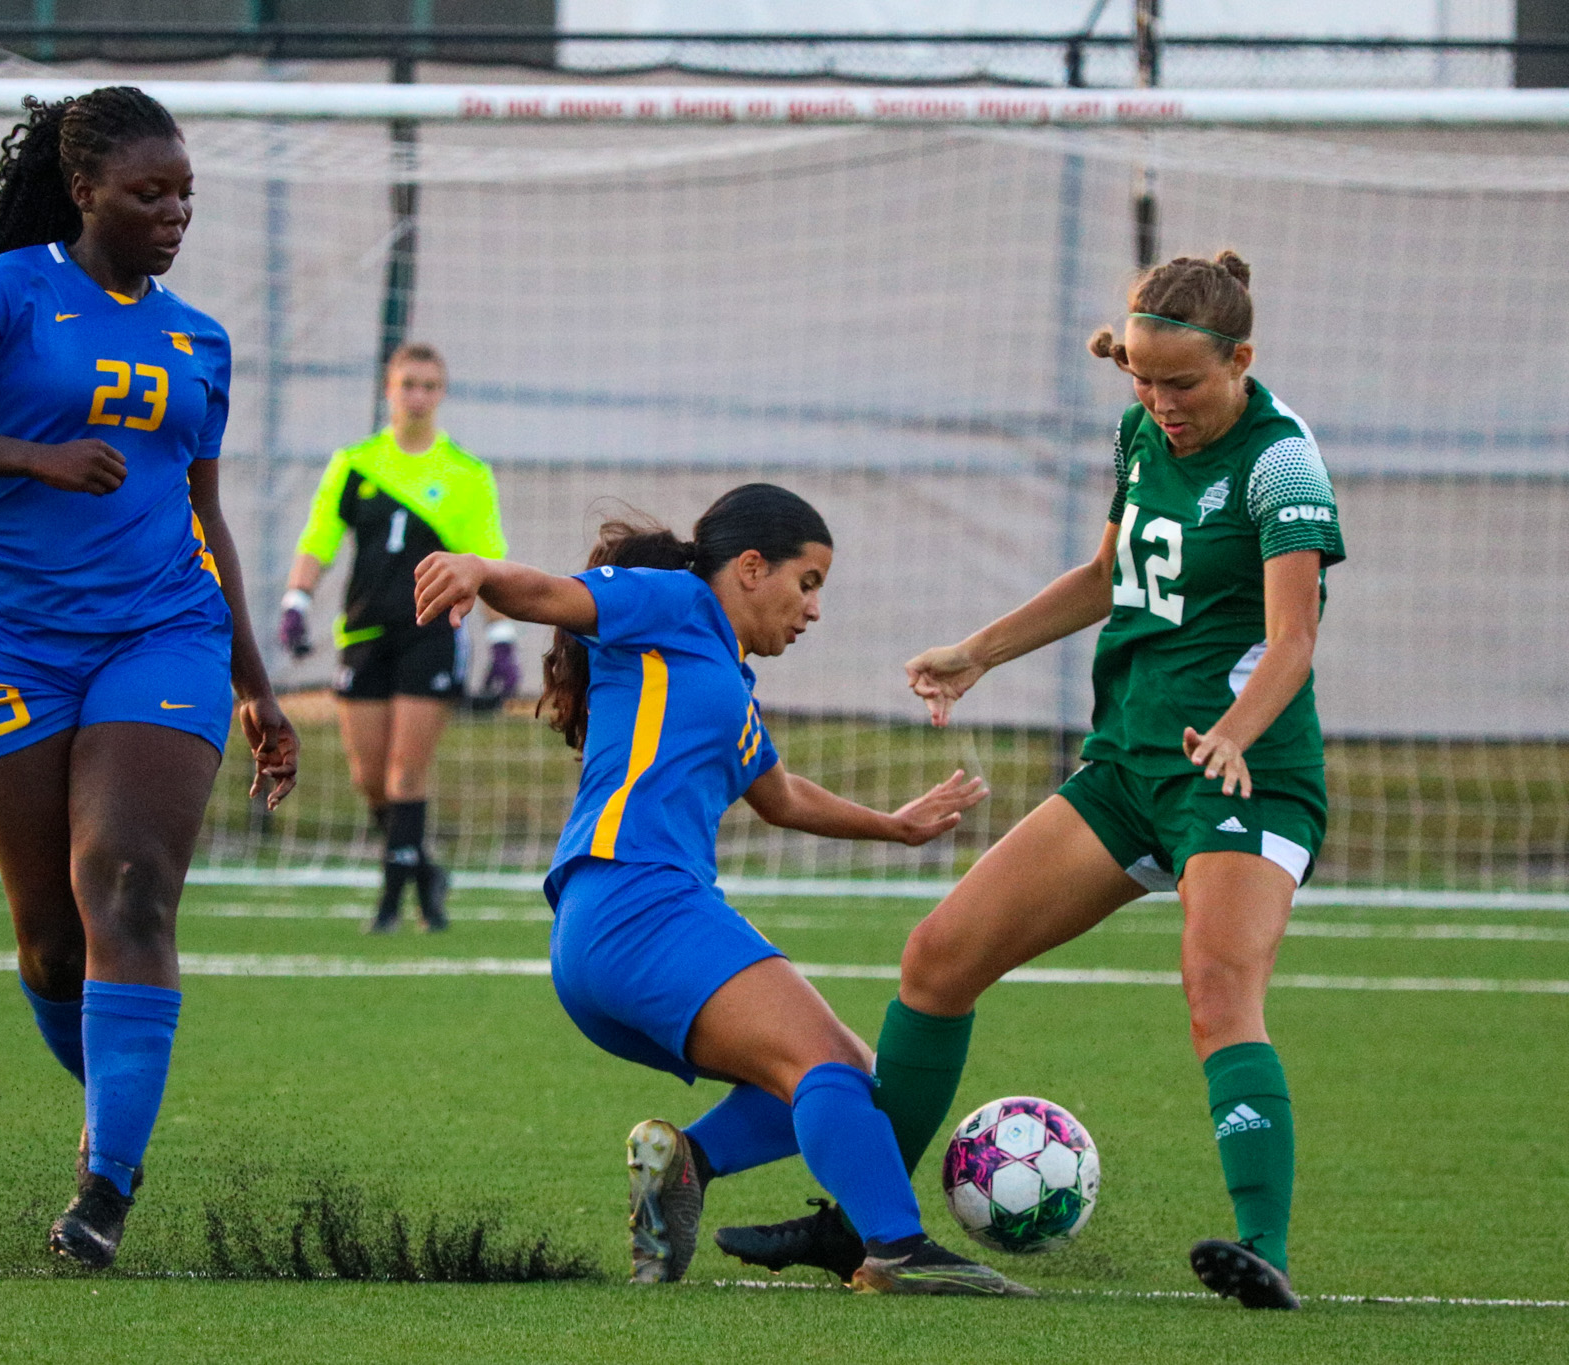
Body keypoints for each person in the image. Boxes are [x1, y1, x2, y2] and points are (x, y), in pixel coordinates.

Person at [717, 252, 1343, 1311]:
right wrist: (980, 652)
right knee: (937, 957)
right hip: (1128, 768)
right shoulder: (1143, 432)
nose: (1158, 403)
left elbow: (1292, 640)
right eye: (1141, 381)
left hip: (1240, 777)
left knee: (1216, 995)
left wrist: (1234, 735)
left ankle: (1262, 1253)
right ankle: (862, 1229)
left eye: (1181, 383)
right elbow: (1108, 576)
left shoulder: (1280, 466)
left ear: (1240, 360)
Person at [0, 87, 299, 1270]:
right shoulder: (2, 293)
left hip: (163, 635)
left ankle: (106, 1184)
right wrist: (33, 458)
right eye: (150, 193)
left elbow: (204, 514)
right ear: (87, 189)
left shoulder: (199, 339)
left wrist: (256, 685)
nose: (173, 214)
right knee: (54, 943)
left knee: (126, 881)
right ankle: (114, 1099)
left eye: (185, 194)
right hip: (6, 641)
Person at [412, 484, 1030, 1296]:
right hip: (639, 905)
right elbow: (552, 594)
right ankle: (897, 1250)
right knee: (825, 1068)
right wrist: (478, 568)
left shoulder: (727, 680)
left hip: (615, 927)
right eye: (807, 583)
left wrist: (895, 825)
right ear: (748, 568)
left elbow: (780, 796)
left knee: (849, 1072)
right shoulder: (672, 603)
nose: (812, 610)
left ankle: (686, 1164)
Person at [279, 343, 516, 932]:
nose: (418, 396)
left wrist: (504, 639)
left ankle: (393, 905)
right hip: (362, 633)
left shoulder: (466, 473)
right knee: (369, 777)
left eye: (430, 386)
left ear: (442, 394)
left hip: (430, 635)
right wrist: (296, 599)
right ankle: (425, 870)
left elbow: (487, 562)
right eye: (408, 384)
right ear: (388, 390)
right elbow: (319, 539)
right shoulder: (354, 465)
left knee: (406, 772)